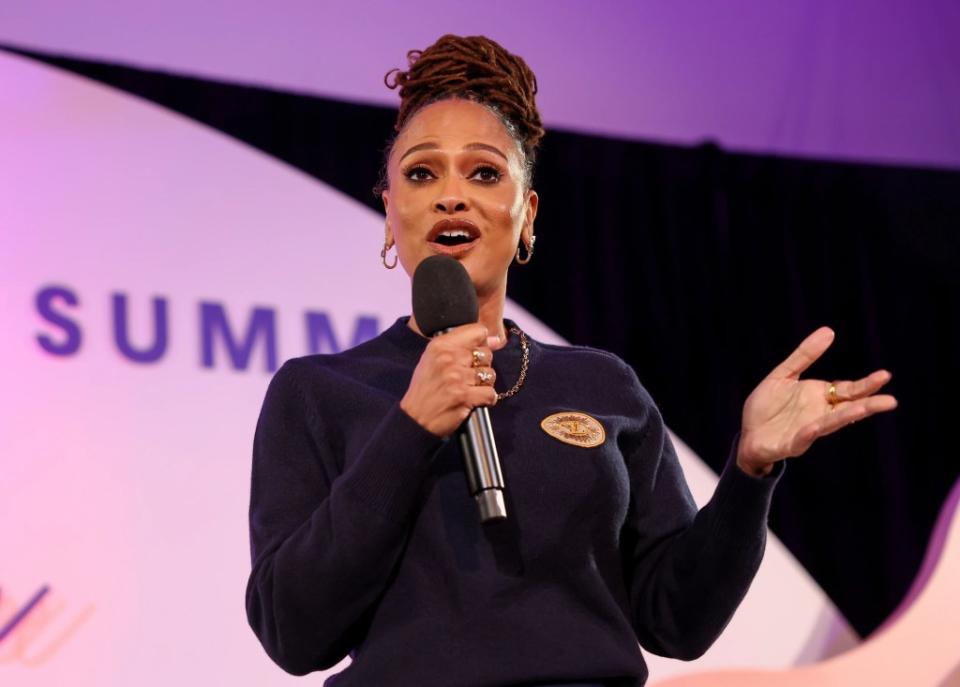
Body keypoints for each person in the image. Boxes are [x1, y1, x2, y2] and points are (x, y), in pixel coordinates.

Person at [245, 34, 897, 687]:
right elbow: (292, 631)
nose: (451, 195)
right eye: (421, 173)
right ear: (390, 214)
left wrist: (751, 471)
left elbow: (678, 619)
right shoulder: (317, 392)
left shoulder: (602, 383)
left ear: (526, 216)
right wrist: (412, 426)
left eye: (484, 171)